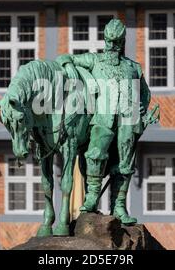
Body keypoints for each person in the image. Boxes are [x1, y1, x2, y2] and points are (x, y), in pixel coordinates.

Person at [55, 19, 151, 225]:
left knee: (125, 164)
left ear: (122, 43)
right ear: (105, 40)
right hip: (102, 118)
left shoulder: (133, 67)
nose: (112, 47)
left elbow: (144, 93)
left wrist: (142, 106)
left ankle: (119, 205)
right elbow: (63, 58)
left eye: (116, 42)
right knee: (95, 156)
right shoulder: (94, 60)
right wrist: (70, 69)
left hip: (128, 118)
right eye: (109, 41)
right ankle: (92, 197)